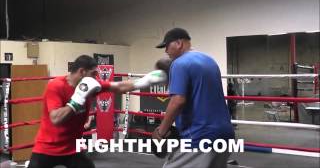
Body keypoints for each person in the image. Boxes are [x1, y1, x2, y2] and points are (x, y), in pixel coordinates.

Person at [29, 55, 167, 168]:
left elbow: (119, 86)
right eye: (94, 73)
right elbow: (56, 119)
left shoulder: (93, 84)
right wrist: (77, 99)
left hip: (73, 148)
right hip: (47, 148)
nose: (97, 77)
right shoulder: (56, 86)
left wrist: (146, 80)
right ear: (82, 71)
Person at [152, 28, 235, 168]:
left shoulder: (179, 63)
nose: (166, 51)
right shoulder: (209, 60)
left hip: (200, 137)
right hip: (225, 134)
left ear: (178, 43)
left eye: (167, 46)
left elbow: (178, 101)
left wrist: (161, 131)